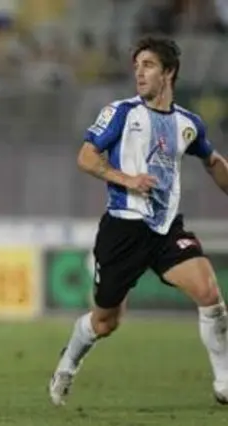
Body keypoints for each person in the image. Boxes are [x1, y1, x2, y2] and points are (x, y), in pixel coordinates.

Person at [48, 36, 228, 406]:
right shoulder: (121, 112)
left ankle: (224, 382)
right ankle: (67, 363)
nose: (139, 74)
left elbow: (212, 162)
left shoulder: (187, 124)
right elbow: (86, 157)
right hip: (123, 231)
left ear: (169, 73)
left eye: (148, 66)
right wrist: (127, 179)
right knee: (105, 322)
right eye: (136, 67)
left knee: (209, 293)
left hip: (165, 230)